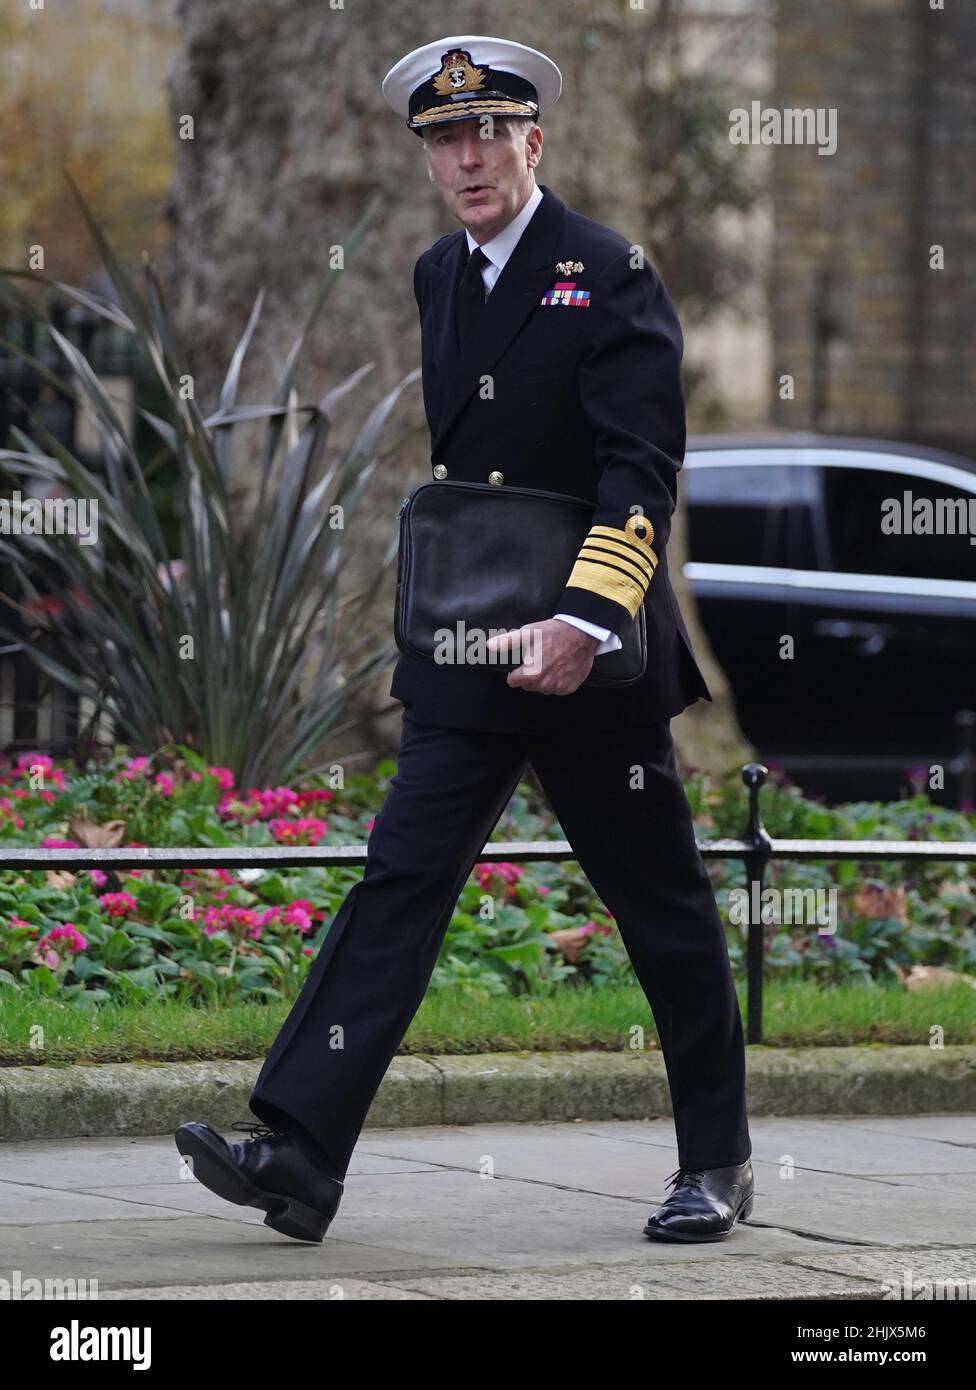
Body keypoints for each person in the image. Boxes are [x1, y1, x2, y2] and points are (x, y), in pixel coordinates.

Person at [176, 33, 753, 1246]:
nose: (469, 155)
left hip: (590, 649)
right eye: (446, 137)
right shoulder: (441, 270)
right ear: (429, 157)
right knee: (400, 881)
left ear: (533, 140)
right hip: (472, 645)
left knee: (659, 904)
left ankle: (718, 1162)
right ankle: (298, 1153)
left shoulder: (609, 268)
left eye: (490, 132)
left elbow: (639, 466)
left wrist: (588, 617)